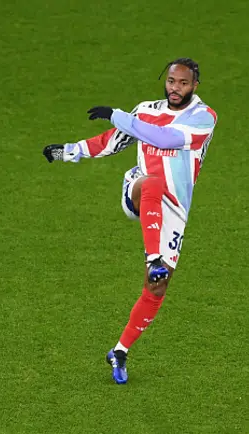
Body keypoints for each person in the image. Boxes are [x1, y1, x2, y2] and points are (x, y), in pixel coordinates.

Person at [42, 58, 218, 384]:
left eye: (182, 83)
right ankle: (154, 258)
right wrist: (69, 151)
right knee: (150, 183)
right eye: (171, 81)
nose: (175, 88)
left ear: (195, 86)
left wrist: (118, 115)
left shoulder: (203, 118)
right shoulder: (145, 110)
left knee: (157, 287)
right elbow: (114, 140)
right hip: (139, 188)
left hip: (174, 209)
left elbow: (163, 138)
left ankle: (120, 351)